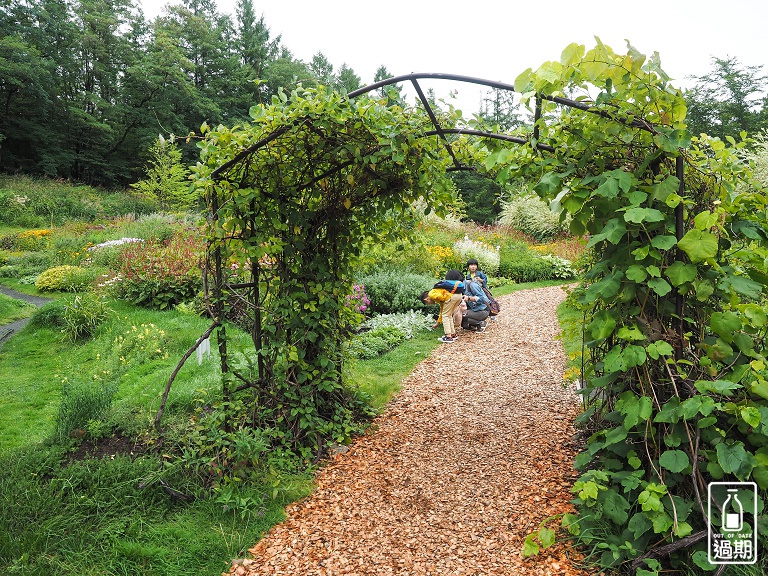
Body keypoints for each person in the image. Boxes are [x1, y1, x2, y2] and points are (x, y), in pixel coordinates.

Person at [420, 269, 465, 343]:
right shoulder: (437, 292)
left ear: (426, 299)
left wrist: (446, 299)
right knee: (448, 314)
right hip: (458, 295)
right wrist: (438, 323)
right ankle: (453, 334)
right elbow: (442, 310)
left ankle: (448, 336)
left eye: (428, 303)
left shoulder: (431, 293)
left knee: (446, 315)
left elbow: (441, 298)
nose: (430, 304)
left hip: (451, 296)